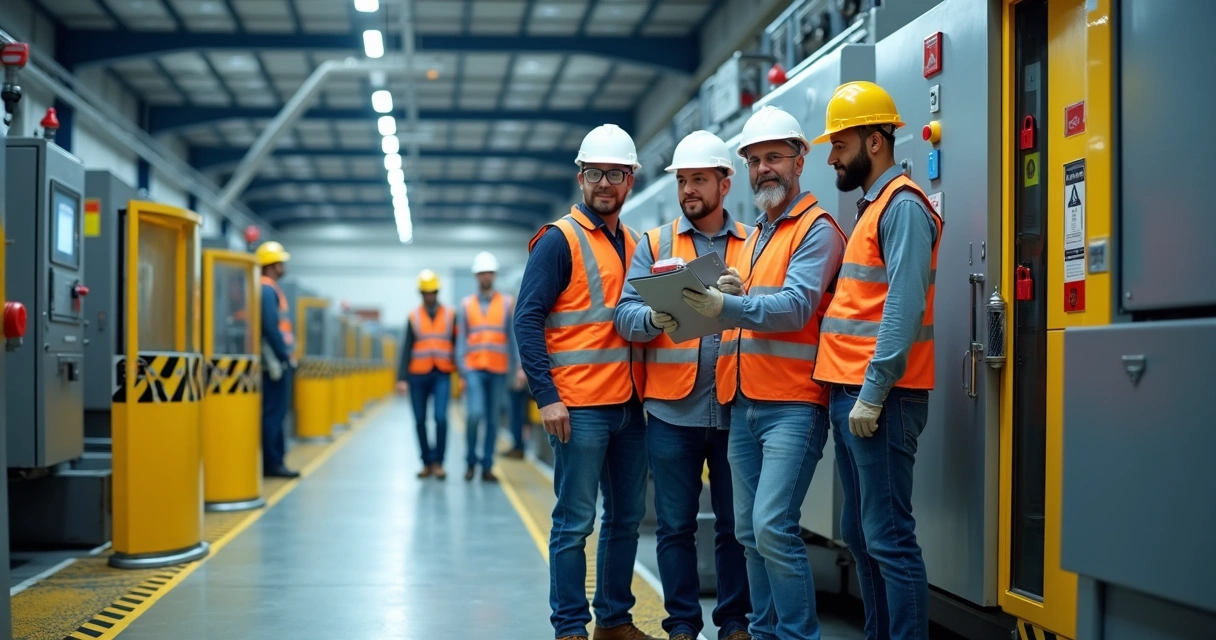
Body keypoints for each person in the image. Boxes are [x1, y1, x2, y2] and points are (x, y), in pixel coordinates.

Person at [682, 105, 847, 640]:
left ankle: (797, 635)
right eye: (754, 161)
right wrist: (729, 291)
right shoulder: (758, 235)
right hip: (743, 401)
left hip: (792, 405)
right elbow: (754, 304)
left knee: (773, 527)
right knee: (750, 534)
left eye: (773, 157)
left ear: (800, 161)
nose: (762, 169)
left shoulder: (817, 230)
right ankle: (763, 632)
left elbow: (796, 306)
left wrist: (726, 306)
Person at [514, 123, 657, 640]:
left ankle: (613, 621)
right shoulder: (559, 240)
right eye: (595, 173)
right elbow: (527, 318)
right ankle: (571, 626)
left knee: (625, 520)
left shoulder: (637, 243)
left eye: (615, 174)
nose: (605, 184)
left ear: (630, 180)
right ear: (581, 178)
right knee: (575, 521)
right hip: (579, 408)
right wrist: (547, 397)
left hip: (630, 406)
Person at [811, 81, 943, 640]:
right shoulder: (873, 209)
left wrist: (873, 391)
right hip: (853, 396)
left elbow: (904, 307)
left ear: (874, 141)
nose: (832, 158)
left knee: (889, 538)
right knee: (863, 535)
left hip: (881, 400)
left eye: (839, 145)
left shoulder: (903, 206)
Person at [613, 130, 753, 640]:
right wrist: (654, 318)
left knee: (737, 527)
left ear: (724, 183)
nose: (688, 189)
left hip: (735, 406)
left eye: (699, 180)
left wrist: (742, 297)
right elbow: (624, 316)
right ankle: (682, 625)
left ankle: (734, 623)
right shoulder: (654, 245)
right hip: (672, 411)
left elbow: (767, 311)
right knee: (675, 526)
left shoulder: (752, 243)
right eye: (682, 181)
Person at [456, 250, 517, 482]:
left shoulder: (507, 303)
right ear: (476, 276)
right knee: (474, 415)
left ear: (494, 275)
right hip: (473, 369)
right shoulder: (466, 305)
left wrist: (519, 368)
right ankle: (470, 462)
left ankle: (487, 466)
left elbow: (513, 338)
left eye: (489, 272)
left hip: (498, 370)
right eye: (482, 273)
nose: (486, 276)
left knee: (493, 421)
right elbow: (462, 339)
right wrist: (462, 368)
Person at [396, 269, 457, 480]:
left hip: (442, 373)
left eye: (431, 292)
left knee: (440, 418)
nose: (428, 296)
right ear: (421, 293)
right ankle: (426, 462)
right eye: (425, 292)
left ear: (437, 292)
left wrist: (461, 374)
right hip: (417, 374)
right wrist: (401, 378)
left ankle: (438, 462)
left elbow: (457, 344)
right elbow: (406, 348)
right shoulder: (413, 316)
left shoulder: (450, 314)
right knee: (420, 419)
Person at [257, 241, 300, 479]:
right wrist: (284, 356)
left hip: (273, 360)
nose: (284, 266)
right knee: (274, 413)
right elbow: (270, 327)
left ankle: (274, 460)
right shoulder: (267, 289)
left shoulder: (267, 288)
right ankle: (273, 462)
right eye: (281, 262)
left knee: (275, 412)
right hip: (274, 363)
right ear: (271, 265)